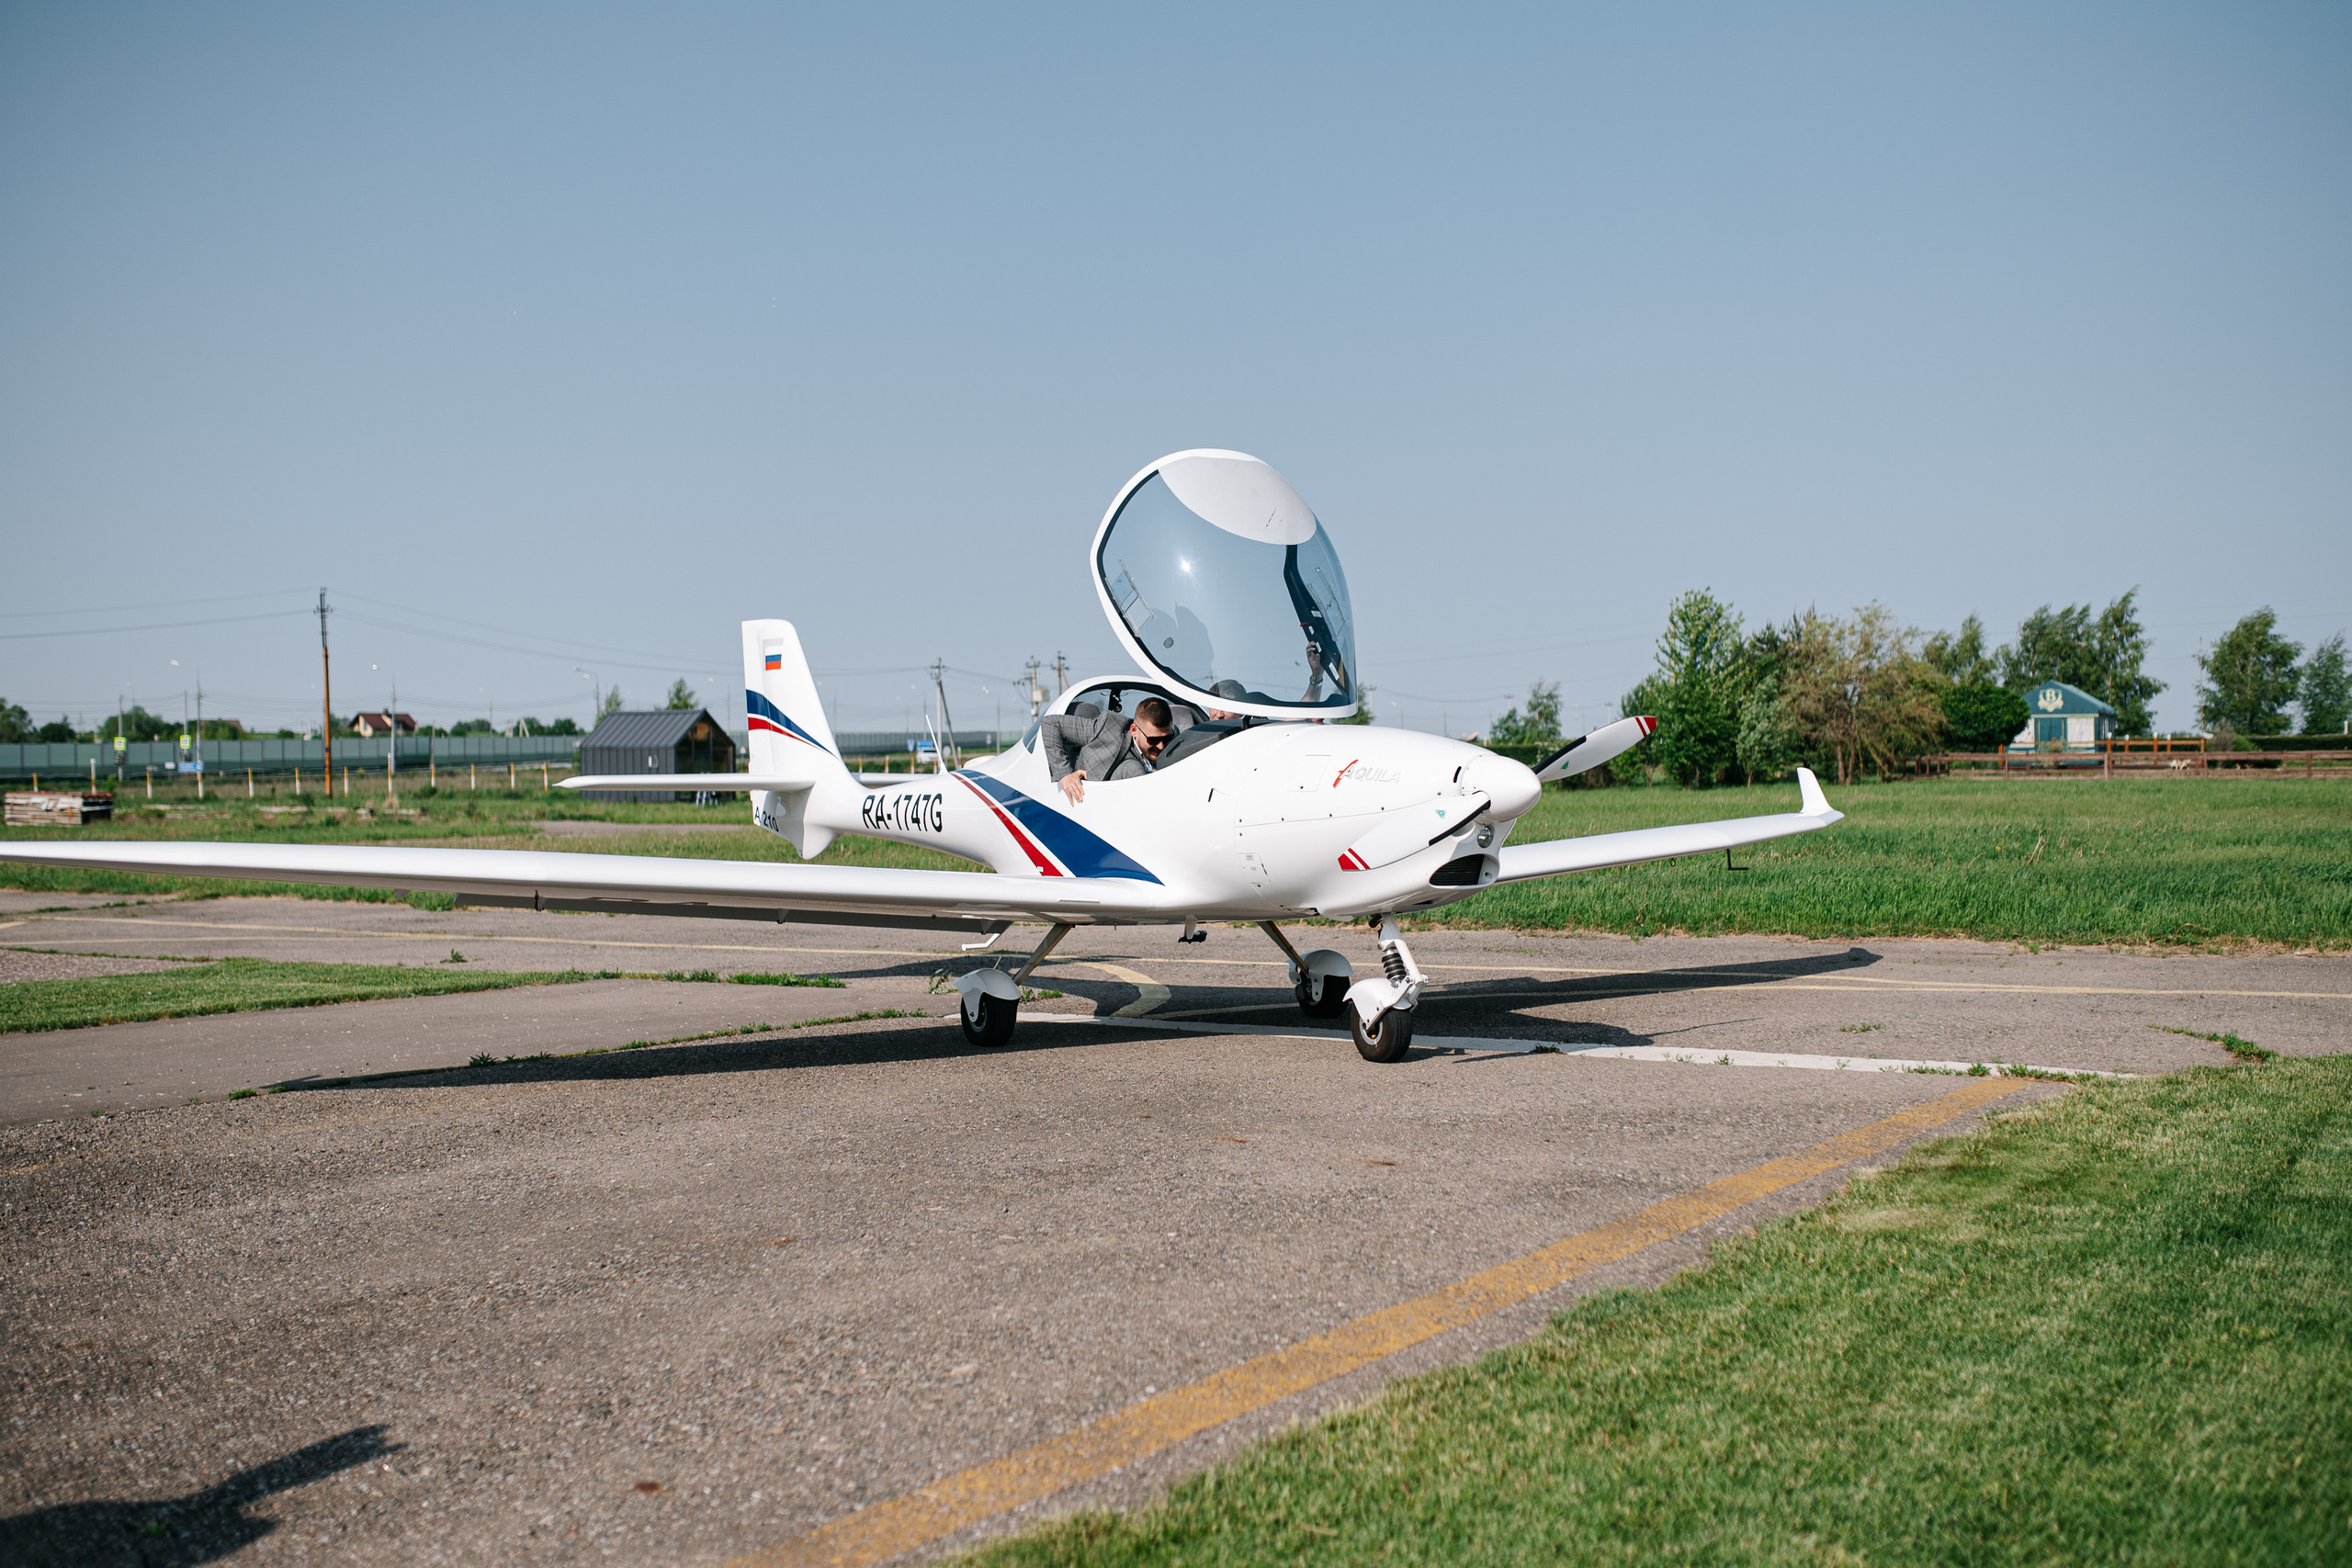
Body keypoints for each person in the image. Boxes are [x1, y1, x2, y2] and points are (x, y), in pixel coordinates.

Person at [1042, 697, 1174, 804]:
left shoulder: (1176, 738)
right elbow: (1051, 724)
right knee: (1133, 768)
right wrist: (1064, 774)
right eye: (1153, 740)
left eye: (1167, 738)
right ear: (1134, 730)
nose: (1161, 746)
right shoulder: (1107, 728)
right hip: (1097, 802)